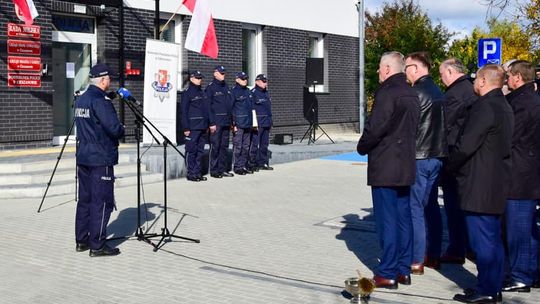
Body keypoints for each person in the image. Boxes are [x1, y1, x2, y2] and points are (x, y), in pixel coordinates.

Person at [449, 64, 514, 303]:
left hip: (479, 184)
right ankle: (491, 286)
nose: (473, 83)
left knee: (482, 241)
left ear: (484, 81)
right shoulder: (503, 105)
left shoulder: (485, 107)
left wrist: (451, 163)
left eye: (476, 79)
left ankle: (487, 290)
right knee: (492, 239)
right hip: (494, 182)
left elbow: (466, 145)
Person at [357, 51, 420, 289]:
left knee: (388, 220)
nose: (377, 72)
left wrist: (362, 146)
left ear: (386, 69)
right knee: (403, 218)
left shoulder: (387, 93)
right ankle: (403, 269)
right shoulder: (411, 93)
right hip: (404, 164)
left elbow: (376, 128)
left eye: (379, 68)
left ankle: (388, 271)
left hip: (386, 165)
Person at [404, 52, 448, 274]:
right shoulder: (439, 92)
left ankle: (417, 259)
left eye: (406, 67)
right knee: (430, 206)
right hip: (437, 156)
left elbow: (408, 128)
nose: (405, 72)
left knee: (415, 208)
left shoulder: (416, 93)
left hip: (420, 157)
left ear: (416, 68)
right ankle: (434, 255)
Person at [74, 63, 124, 257]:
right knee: (101, 202)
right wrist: (122, 128)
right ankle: (98, 245)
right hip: (100, 157)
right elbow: (114, 128)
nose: (110, 81)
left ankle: (82, 240)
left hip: (84, 155)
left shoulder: (82, 99)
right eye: (109, 78)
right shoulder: (101, 101)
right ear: (103, 80)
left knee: (85, 200)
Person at [501, 60, 540, 293]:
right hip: (529, 172)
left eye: (508, 76)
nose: (506, 80)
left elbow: (510, 137)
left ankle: (520, 276)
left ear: (517, 77)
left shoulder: (522, 103)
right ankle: (529, 273)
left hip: (520, 174)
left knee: (518, 229)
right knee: (528, 230)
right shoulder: (531, 100)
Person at [438, 58, 478, 265]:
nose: (441, 77)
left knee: (454, 205)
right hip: (467, 156)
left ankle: (457, 249)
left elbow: (445, 125)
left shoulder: (455, 93)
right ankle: (468, 246)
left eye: (442, 73)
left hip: (454, 155)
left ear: (451, 72)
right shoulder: (470, 89)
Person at [181, 70, 215, 182]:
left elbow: (208, 110)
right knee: (191, 150)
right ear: (191, 79)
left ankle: (197, 172)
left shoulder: (203, 93)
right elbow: (183, 111)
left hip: (203, 127)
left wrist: (210, 124)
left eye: (200, 78)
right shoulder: (187, 93)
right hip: (192, 128)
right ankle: (191, 173)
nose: (199, 80)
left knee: (200, 151)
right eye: (197, 78)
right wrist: (185, 127)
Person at [206, 65, 234, 178]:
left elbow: (229, 105)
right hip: (216, 123)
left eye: (224, 73)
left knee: (224, 147)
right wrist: (211, 123)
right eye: (221, 73)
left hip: (226, 122)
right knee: (215, 147)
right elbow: (208, 107)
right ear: (215, 73)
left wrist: (231, 122)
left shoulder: (226, 86)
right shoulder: (210, 88)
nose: (223, 75)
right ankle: (214, 171)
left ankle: (222, 170)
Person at [231, 72, 254, 175]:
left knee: (246, 146)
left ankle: (243, 165)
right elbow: (231, 109)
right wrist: (233, 124)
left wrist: (254, 124)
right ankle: (237, 167)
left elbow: (252, 108)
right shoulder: (233, 92)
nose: (245, 80)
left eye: (246, 79)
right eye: (242, 79)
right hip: (239, 124)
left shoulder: (248, 91)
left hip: (248, 124)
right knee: (238, 147)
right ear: (237, 79)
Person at [249, 74, 273, 171]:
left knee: (264, 145)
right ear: (257, 82)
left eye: (266, 81)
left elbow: (268, 108)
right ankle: (252, 164)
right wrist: (254, 124)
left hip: (266, 122)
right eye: (263, 81)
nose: (265, 83)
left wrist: (271, 122)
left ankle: (263, 163)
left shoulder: (266, 93)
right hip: (258, 124)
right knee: (254, 145)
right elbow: (251, 110)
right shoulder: (253, 93)